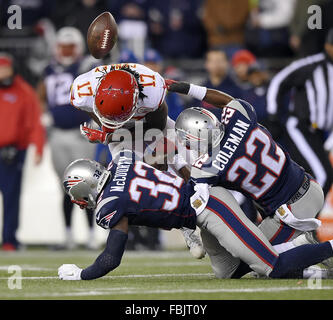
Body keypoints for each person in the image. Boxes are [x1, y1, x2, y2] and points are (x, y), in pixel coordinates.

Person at [58, 150, 333, 280]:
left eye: (79, 197)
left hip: (211, 207)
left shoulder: (109, 205)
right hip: (201, 209)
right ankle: (302, 250)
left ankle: (326, 248)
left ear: (85, 187)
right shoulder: (122, 160)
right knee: (227, 271)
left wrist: (82, 274)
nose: (82, 203)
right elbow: (160, 156)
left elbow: (111, 258)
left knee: (271, 267)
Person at [166, 78, 327, 255]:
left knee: (249, 259)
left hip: (291, 209)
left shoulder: (207, 167)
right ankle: (307, 248)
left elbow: (191, 194)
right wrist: (188, 88)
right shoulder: (239, 117)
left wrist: (175, 159)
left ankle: (305, 244)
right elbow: (227, 101)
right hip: (309, 185)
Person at [70, 61, 205, 257]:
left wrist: (106, 137)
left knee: (187, 170)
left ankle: (204, 220)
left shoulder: (152, 89)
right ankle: (178, 225)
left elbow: (156, 130)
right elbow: (109, 125)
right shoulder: (82, 91)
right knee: (127, 184)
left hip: (152, 126)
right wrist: (108, 132)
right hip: (117, 134)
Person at [37, 27, 97, 249]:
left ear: (79, 47)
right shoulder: (49, 70)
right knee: (66, 186)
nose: (66, 51)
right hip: (58, 135)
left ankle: (91, 235)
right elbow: (41, 95)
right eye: (63, 47)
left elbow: (100, 94)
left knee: (88, 185)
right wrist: (43, 114)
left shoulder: (87, 68)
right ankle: (68, 236)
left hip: (81, 134)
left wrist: (97, 119)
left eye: (70, 47)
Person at [266, 29, 333, 199]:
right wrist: (274, 116)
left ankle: (294, 220)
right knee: (323, 176)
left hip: (320, 134)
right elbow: (278, 81)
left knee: (307, 179)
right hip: (301, 127)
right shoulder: (312, 65)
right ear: (328, 46)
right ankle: (305, 222)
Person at [0, 53, 45, 250]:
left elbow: (35, 123)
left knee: (11, 196)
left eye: (5, 68)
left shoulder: (24, 92)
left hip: (13, 151)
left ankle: (9, 239)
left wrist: (38, 148)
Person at [200, 49, 242, 119]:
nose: (217, 65)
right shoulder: (201, 89)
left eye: (220, 61)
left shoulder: (236, 90)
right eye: (213, 61)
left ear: (227, 63)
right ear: (206, 64)